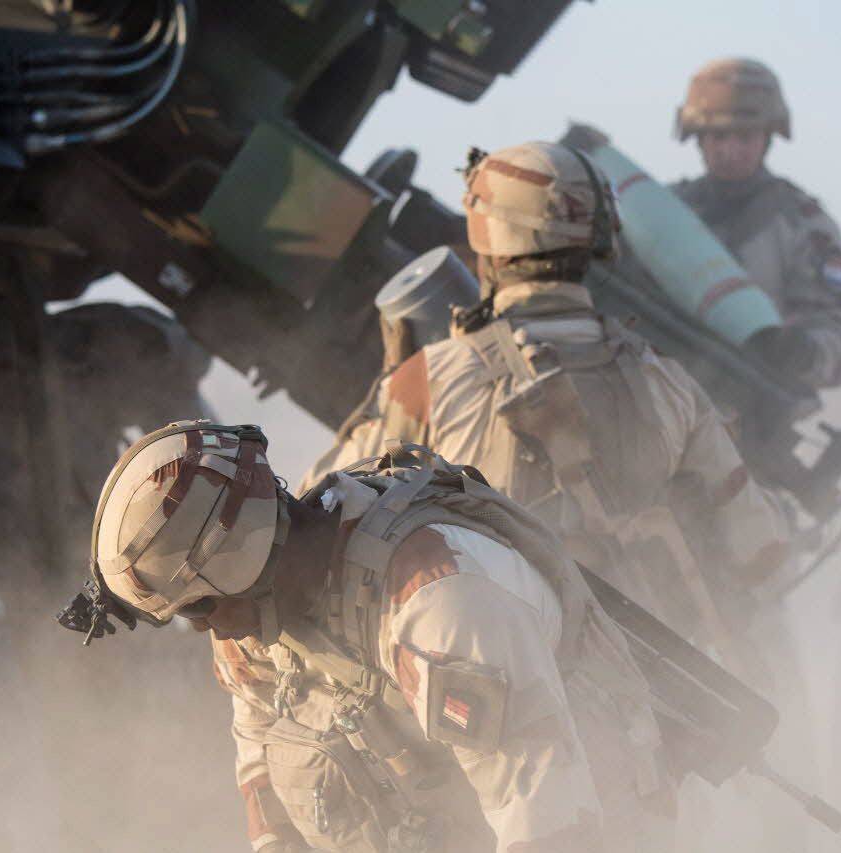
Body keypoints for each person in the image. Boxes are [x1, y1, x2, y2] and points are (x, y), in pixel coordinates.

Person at [61, 420, 674, 852]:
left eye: (200, 607)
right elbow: (257, 743)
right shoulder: (251, 613)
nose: (202, 627)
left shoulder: (437, 600)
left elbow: (545, 812)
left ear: (239, 557)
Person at [304, 141, 790, 656]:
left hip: (489, 673)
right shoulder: (665, 379)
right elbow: (761, 549)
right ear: (598, 237)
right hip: (642, 675)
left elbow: (317, 516)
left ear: (487, 234)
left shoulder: (430, 378)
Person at [673, 58, 841, 389]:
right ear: (699, 138)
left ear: (767, 139)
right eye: (718, 136)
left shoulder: (803, 226)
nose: (730, 151)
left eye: (745, 137)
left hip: (749, 406)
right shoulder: (664, 214)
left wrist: (803, 351)